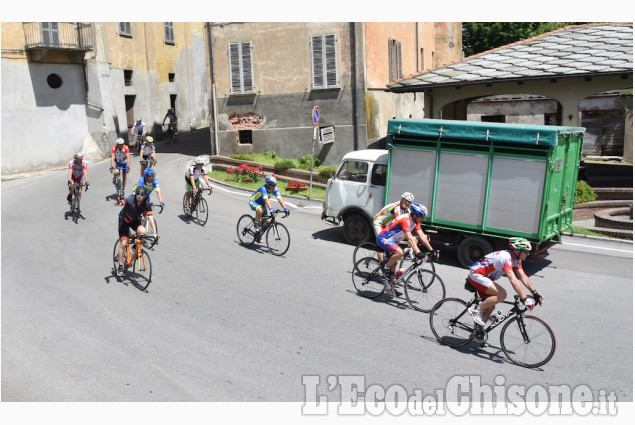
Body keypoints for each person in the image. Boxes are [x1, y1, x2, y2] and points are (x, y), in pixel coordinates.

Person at [467, 237, 544, 326]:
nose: (528, 254)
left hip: (485, 278)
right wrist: (525, 298)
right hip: (477, 275)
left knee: (491, 306)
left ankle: (478, 333)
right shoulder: (505, 257)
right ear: (517, 251)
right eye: (526, 251)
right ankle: (476, 309)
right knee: (502, 294)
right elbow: (513, 279)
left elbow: (523, 277)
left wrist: (535, 294)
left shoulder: (516, 259)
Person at [376, 203, 434, 296]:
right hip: (384, 238)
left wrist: (432, 250)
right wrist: (418, 253)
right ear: (415, 215)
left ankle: (390, 287)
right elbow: (410, 239)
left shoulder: (415, 222)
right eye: (421, 217)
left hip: (393, 241)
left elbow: (422, 236)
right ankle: (384, 268)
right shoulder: (405, 219)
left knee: (394, 263)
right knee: (400, 252)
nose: (422, 219)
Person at [116, 187, 155, 277]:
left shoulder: (146, 204)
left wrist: (155, 234)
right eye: (137, 194)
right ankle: (121, 266)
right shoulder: (130, 199)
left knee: (143, 232)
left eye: (141, 195)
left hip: (134, 220)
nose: (139, 196)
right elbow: (122, 202)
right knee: (123, 243)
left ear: (145, 196)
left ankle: (135, 246)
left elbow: (151, 218)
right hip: (124, 221)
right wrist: (119, 201)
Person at [372, 192, 415, 262]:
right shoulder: (396, 208)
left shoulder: (407, 210)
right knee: (382, 243)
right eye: (405, 200)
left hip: (386, 224)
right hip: (379, 223)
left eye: (409, 202)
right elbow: (399, 222)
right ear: (402, 199)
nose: (407, 203)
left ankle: (387, 260)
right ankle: (380, 268)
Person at [131, 167, 164, 235]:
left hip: (145, 195)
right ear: (146, 177)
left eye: (153, 176)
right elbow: (139, 194)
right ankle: (136, 222)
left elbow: (158, 191)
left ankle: (143, 222)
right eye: (150, 176)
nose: (152, 178)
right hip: (137, 194)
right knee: (137, 208)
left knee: (146, 210)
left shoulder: (155, 180)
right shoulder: (142, 180)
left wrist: (161, 202)